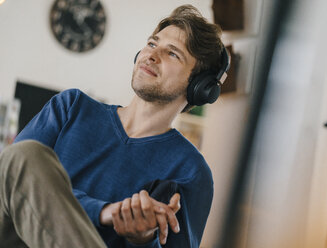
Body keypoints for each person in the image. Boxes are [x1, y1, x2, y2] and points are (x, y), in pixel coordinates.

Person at [0, 4, 229, 248]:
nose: (151, 55)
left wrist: (142, 239)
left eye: (173, 53)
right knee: (25, 155)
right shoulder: (71, 106)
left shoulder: (191, 171)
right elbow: (12, 174)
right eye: (152, 44)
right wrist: (105, 212)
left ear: (199, 87)